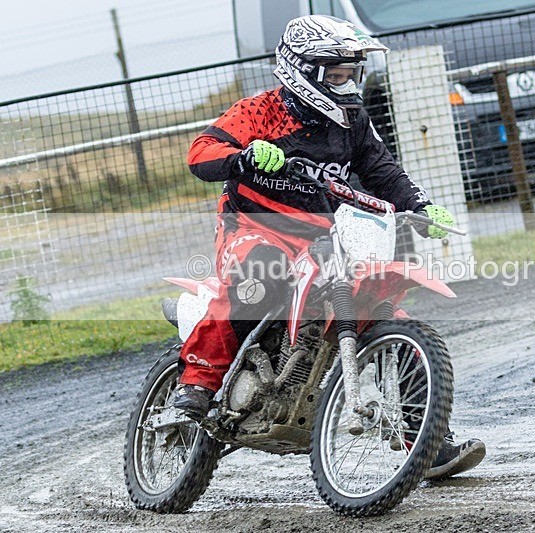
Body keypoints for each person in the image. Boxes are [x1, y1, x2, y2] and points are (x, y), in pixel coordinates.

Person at [174, 14, 484, 479]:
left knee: (382, 314)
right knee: (257, 278)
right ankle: (197, 386)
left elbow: (383, 171)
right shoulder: (258, 112)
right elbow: (201, 153)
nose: (346, 83)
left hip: (326, 231)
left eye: (350, 74)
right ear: (303, 71)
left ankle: (427, 440)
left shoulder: (354, 121)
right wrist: (244, 156)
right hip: (256, 226)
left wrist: (420, 206)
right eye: (335, 74)